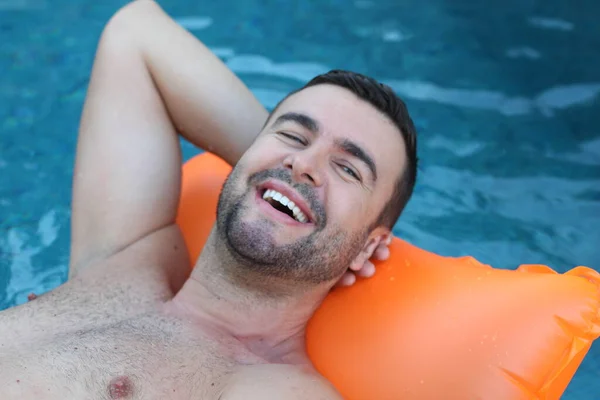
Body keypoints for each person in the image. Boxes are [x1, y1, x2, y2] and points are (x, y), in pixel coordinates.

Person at [0, 1, 417, 398]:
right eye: (293, 135)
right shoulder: (125, 260)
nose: (303, 162)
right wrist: (275, 175)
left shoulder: (270, 388)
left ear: (368, 246)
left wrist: (310, 204)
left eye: (348, 169)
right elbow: (135, 33)